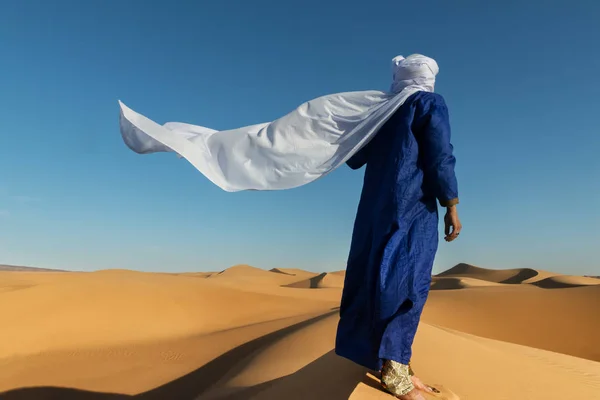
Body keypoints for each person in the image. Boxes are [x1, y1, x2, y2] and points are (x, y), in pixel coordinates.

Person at [334, 64, 461, 399]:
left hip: (375, 207)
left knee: (375, 275)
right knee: (408, 281)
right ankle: (394, 368)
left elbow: (354, 157)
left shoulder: (382, 111)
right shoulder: (429, 104)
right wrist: (451, 203)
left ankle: (394, 359)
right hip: (412, 204)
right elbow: (440, 156)